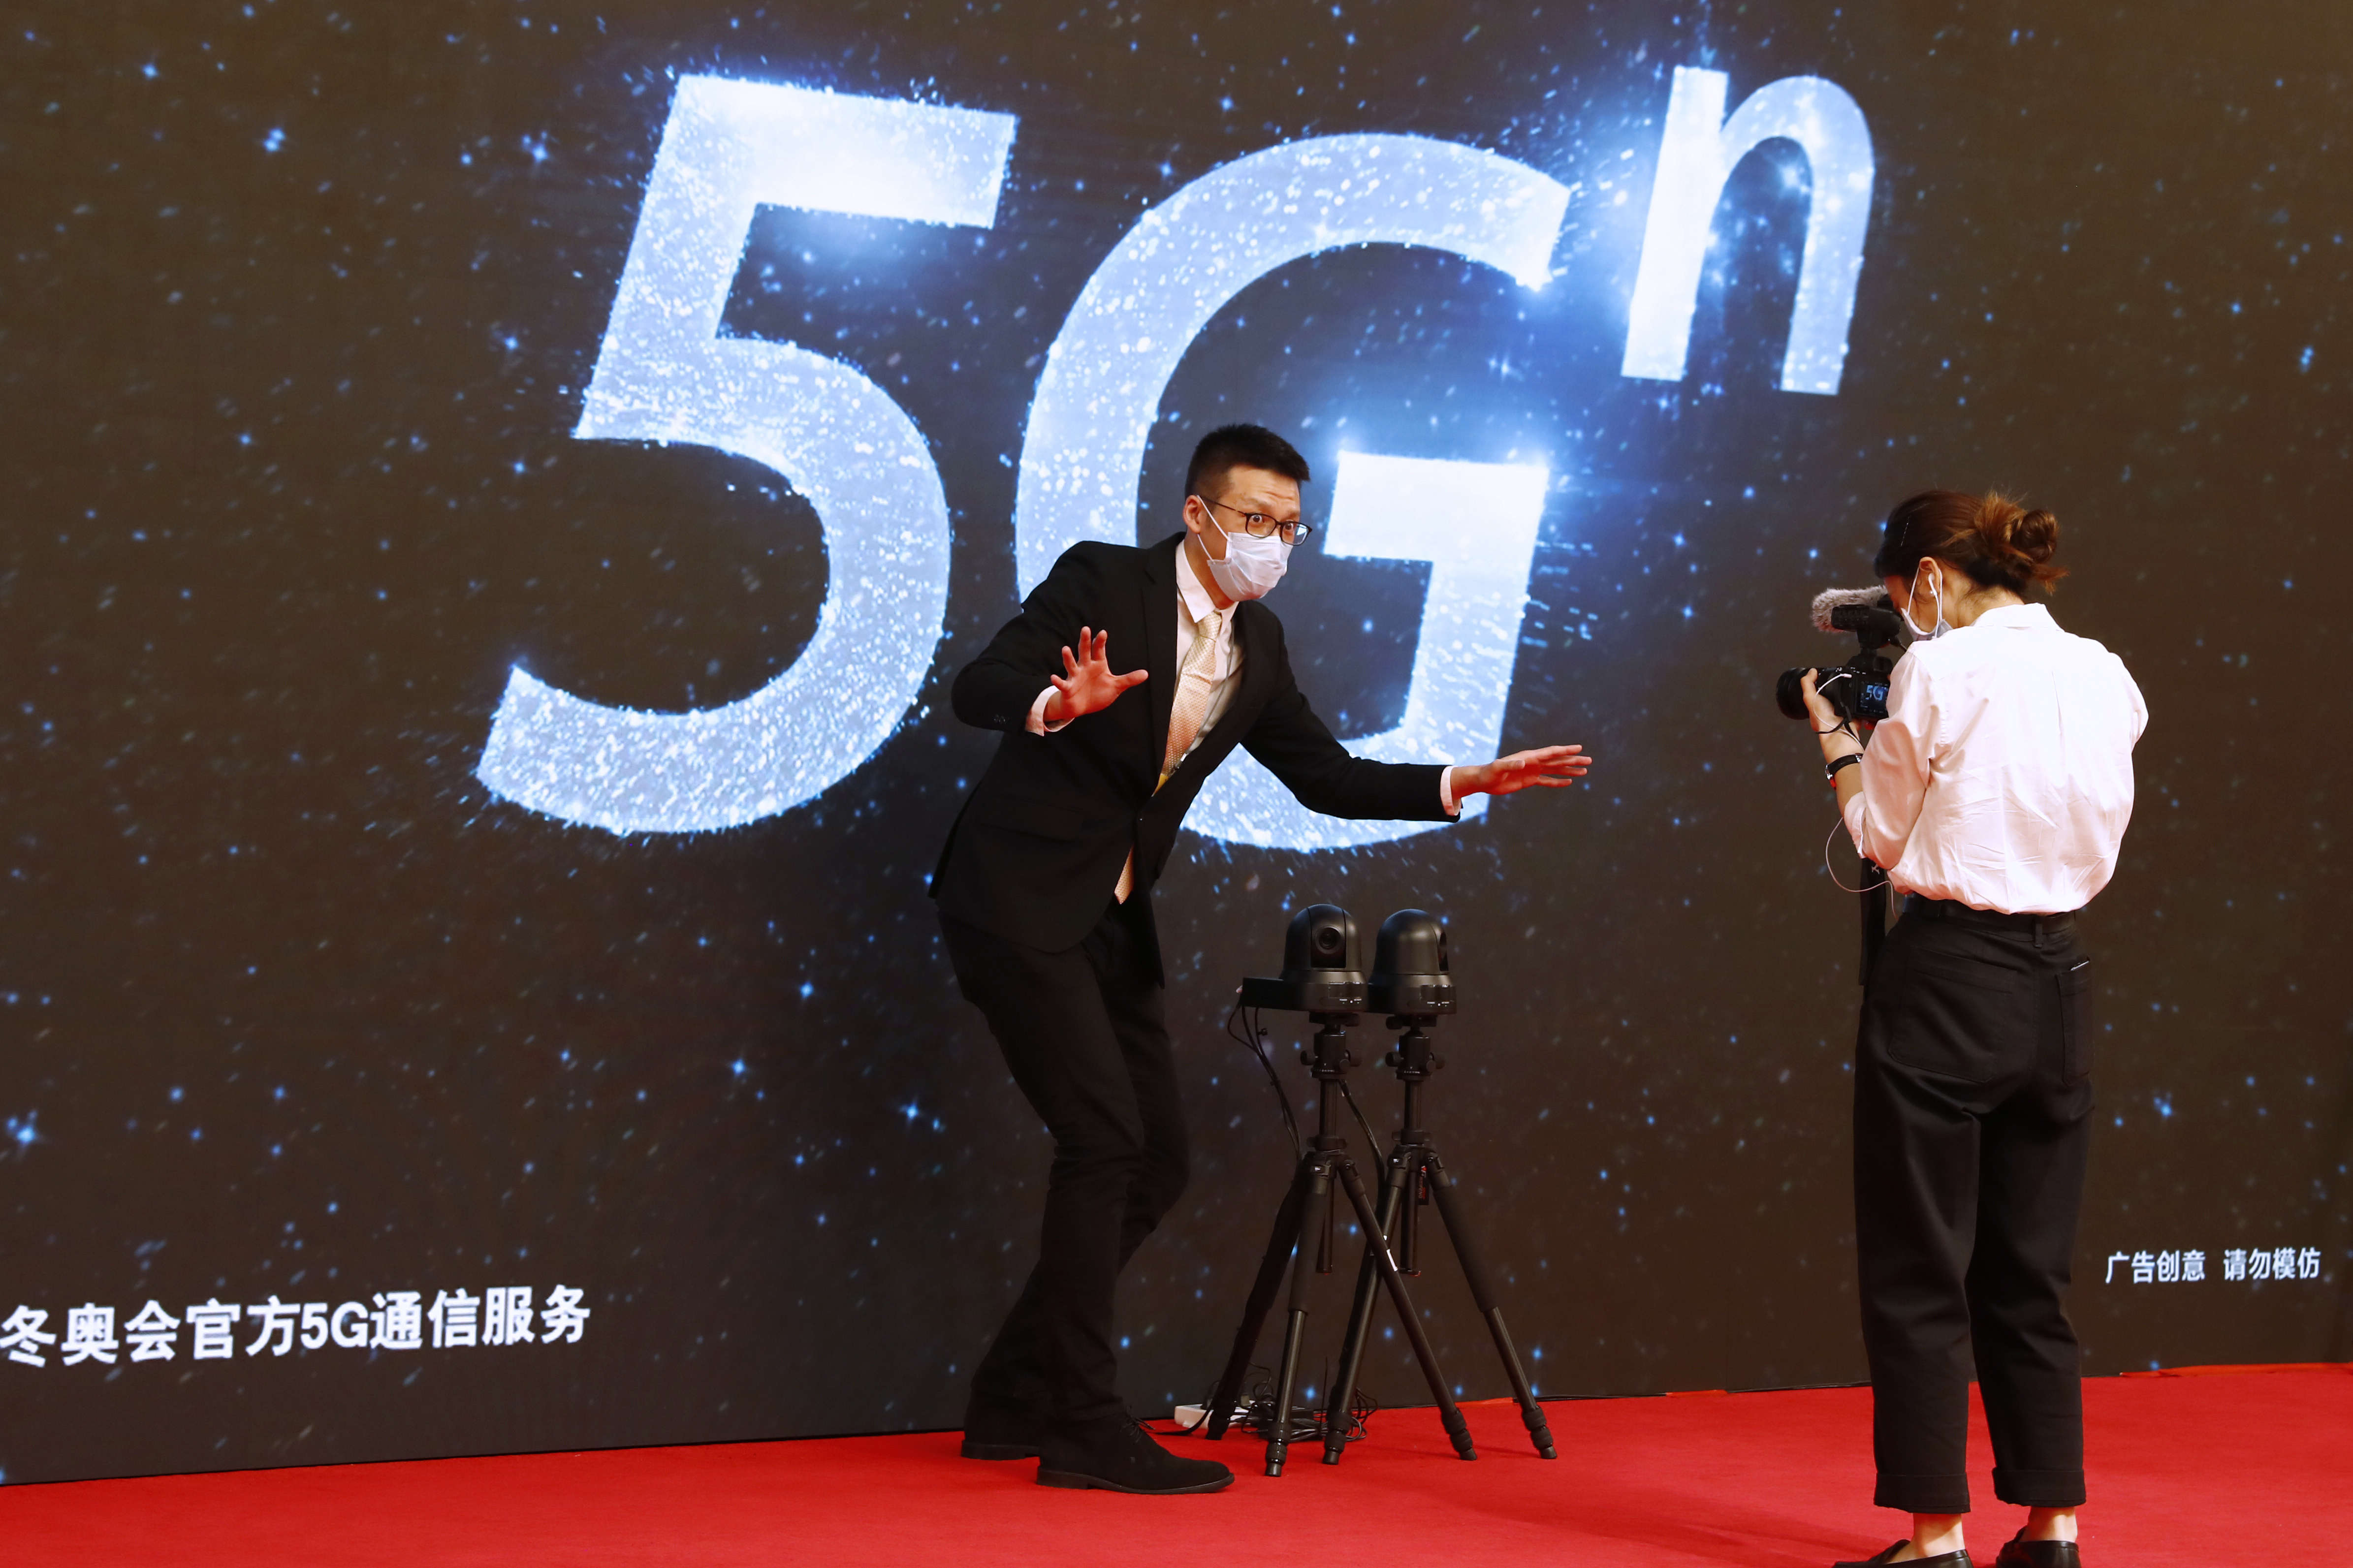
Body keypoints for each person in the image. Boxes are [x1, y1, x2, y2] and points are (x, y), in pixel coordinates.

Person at [931, 423, 1593, 1494]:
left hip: (1108, 914)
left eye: (1291, 526)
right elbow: (980, 685)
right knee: (1101, 1141)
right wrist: (1059, 703)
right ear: (1197, 516)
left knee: (1156, 1161)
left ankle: (1015, 1392)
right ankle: (1081, 1428)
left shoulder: (1260, 643)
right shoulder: (1106, 579)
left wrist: (1465, 779)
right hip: (1013, 896)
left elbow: (1323, 775)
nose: (1275, 541)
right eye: (1255, 521)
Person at [1798, 492, 2147, 1568]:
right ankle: (2051, 1526)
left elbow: (1880, 841)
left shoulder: (1937, 669)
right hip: (2059, 979)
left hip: (1948, 973)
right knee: (2028, 1269)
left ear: (1931, 582)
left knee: (1918, 1264)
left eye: (1904, 599)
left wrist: (1833, 739)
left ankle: (1934, 1536)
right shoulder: (2103, 669)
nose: (1908, 620)